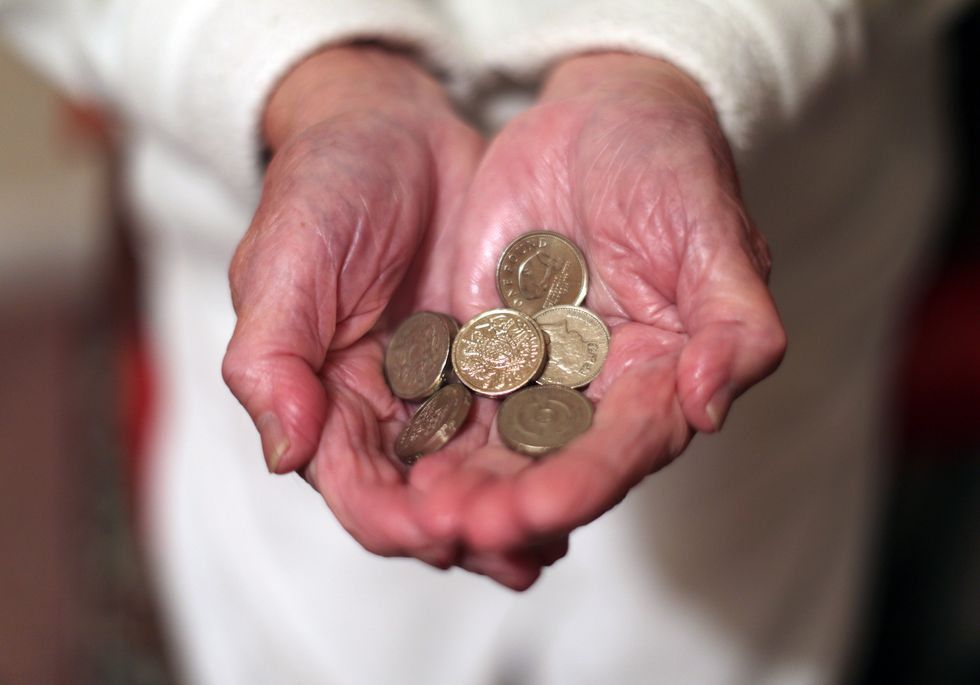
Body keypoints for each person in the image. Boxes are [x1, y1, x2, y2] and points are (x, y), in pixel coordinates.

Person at [1, 1, 972, 683]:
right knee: (319, 640)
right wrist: (302, 69)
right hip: (300, 258)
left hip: (767, 201)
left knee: (719, 641)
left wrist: (694, 43)